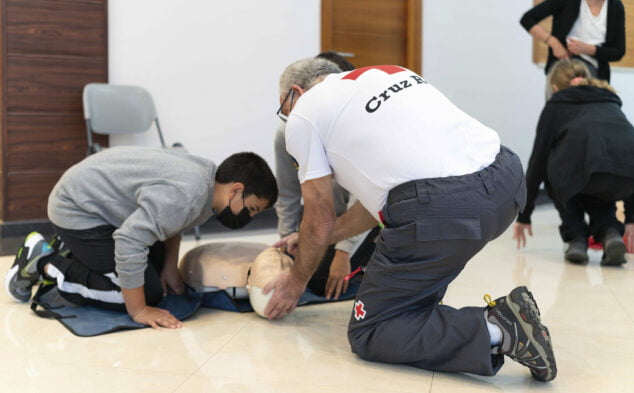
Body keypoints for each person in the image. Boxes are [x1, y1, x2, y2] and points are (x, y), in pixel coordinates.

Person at [266, 58, 556, 381]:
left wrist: (295, 282)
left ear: (296, 92)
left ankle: (499, 329)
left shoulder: (304, 115)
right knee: (406, 287)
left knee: (371, 329)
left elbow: (317, 219)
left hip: (445, 209)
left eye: (285, 109)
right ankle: (492, 321)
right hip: (508, 181)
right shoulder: (388, 74)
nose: (288, 118)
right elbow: (370, 206)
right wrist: (324, 239)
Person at [4, 146, 278, 329]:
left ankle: (73, 249)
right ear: (236, 190)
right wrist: (139, 311)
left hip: (101, 206)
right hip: (77, 210)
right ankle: (45, 259)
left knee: (155, 271)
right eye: (252, 209)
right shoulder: (187, 194)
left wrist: (170, 266)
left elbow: (173, 222)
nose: (250, 218)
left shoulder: (210, 182)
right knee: (147, 292)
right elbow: (130, 242)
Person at [275, 52, 378, 300]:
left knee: (321, 282)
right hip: (331, 216)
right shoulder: (289, 131)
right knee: (306, 268)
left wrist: (343, 253)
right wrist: (286, 250)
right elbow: (288, 193)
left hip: (367, 216)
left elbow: (366, 202)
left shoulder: (355, 126)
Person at [513, 59, 634, 265]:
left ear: (555, 87)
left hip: (582, 173)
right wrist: (631, 217)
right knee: (598, 181)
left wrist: (524, 215)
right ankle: (610, 233)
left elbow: (538, 162)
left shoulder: (556, 104)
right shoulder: (609, 100)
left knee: (557, 171)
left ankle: (577, 238)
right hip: (624, 176)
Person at [520, 0, 625, 85]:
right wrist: (553, 42)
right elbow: (527, 19)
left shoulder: (616, 6)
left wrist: (589, 49)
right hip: (563, 70)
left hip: (596, 75)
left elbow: (618, 52)